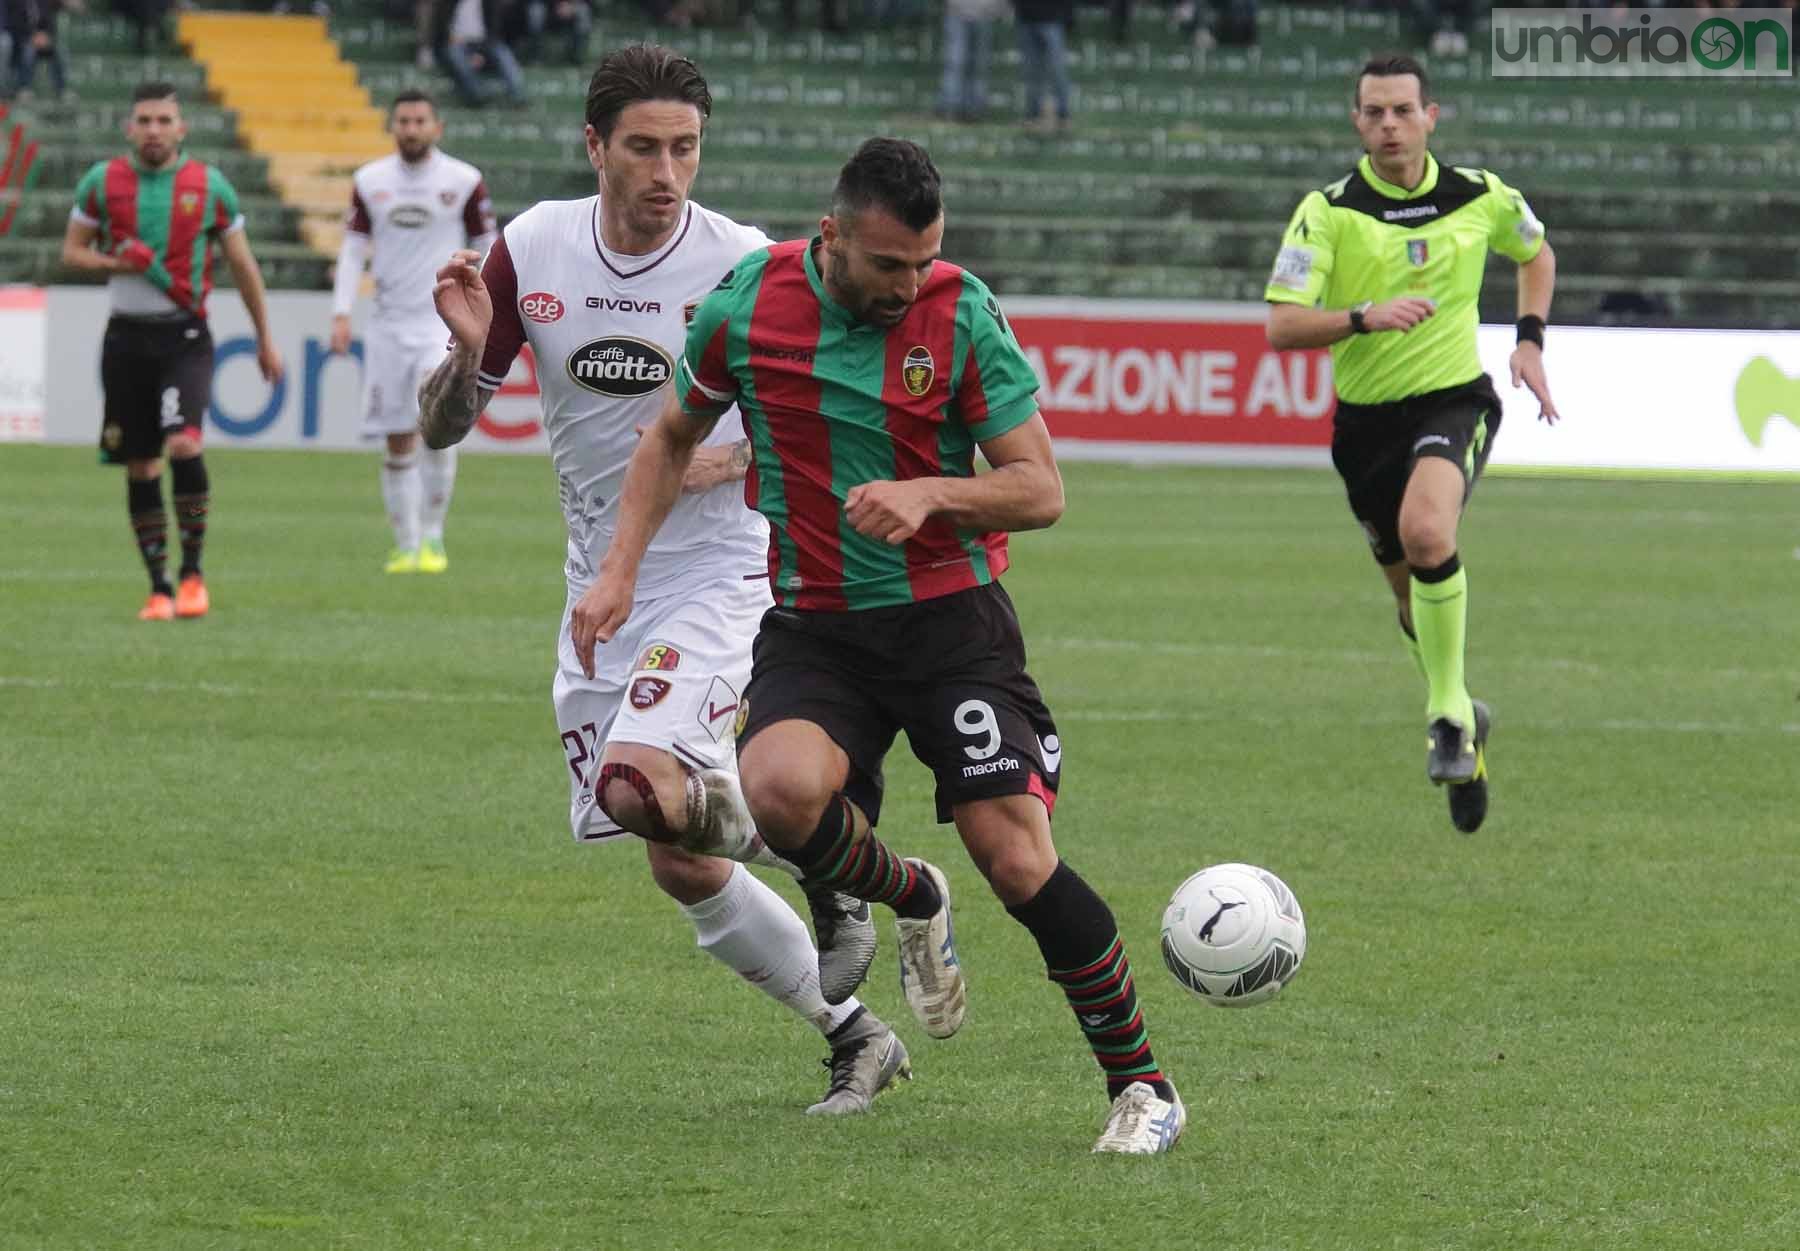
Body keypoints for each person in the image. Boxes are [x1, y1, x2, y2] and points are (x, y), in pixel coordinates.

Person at [580, 137, 1185, 1155]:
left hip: (954, 625)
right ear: (833, 239)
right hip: (818, 627)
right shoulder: (748, 306)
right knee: (774, 792)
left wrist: (932, 493)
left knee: (1016, 857)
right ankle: (910, 892)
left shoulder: (961, 313)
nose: (910, 285)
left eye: (924, 261)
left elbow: (1041, 488)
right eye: (888, 265)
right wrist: (618, 571)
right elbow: (671, 437)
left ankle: (1145, 1088)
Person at [417, 44, 898, 1116]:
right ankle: (856, 1032)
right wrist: (465, 354)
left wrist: (686, 462)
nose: (665, 171)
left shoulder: (747, 265)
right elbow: (443, 425)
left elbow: (814, 435)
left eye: (684, 147)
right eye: (642, 148)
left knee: (641, 780)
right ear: (595, 146)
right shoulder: (531, 247)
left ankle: (852, 869)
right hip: (600, 587)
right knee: (674, 853)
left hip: (723, 578)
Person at [1263, 54, 1558, 835]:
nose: (1389, 125)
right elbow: (1282, 325)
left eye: (1402, 110)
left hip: (1455, 401)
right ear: (1356, 123)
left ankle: (1448, 719)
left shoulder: (1480, 195)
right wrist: (1364, 315)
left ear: (1432, 116)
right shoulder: (1326, 213)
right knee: (1407, 599)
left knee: (1429, 532)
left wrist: (1529, 342)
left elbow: (1536, 253)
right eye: (1374, 113)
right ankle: (1468, 718)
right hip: (1364, 430)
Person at [61, 81, 284, 621]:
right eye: (145, 120)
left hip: (185, 336)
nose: (154, 129)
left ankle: (193, 576)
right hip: (125, 339)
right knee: (140, 464)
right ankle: (158, 586)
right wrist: (117, 263)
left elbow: (243, 266)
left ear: (181, 128)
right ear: (129, 128)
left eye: (164, 120)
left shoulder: (210, 187)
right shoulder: (101, 182)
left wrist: (264, 338)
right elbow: (72, 253)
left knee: (183, 444)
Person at [331, 90, 495, 574]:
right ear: (393, 126)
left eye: (420, 120)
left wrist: (481, 288)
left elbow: (489, 243)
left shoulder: (463, 182)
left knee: (437, 430)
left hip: (437, 325)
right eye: (403, 120)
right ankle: (405, 545)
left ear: (436, 127)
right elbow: (351, 250)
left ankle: (434, 540)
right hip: (386, 325)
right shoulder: (370, 181)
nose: (411, 128)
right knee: (397, 437)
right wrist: (341, 311)